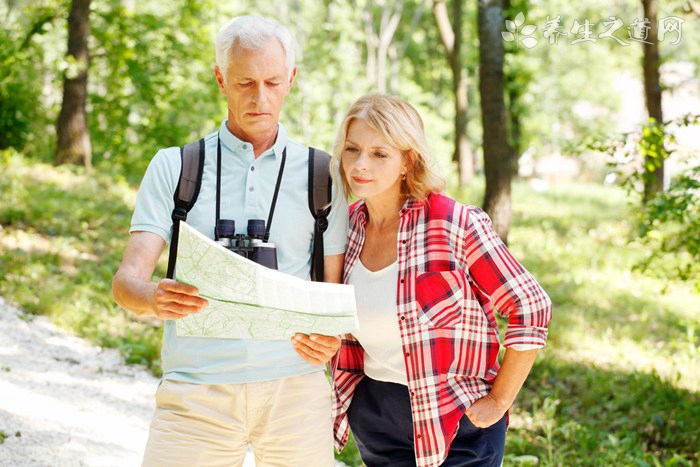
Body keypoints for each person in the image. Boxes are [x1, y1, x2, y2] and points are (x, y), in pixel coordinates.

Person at [112, 15, 349, 467]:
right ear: (221, 79)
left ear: (291, 80)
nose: (260, 98)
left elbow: (331, 298)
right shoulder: (174, 167)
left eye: (273, 82)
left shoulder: (325, 175)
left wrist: (331, 334)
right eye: (245, 83)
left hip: (295, 391)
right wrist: (153, 297)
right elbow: (126, 282)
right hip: (195, 392)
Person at [329, 94, 553, 467]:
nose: (360, 164)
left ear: (407, 161)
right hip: (379, 418)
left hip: (455, 420)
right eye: (352, 149)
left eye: (380, 153)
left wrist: (499, 400)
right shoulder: (346, 228)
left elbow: (530, 306)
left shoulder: (455, 224)